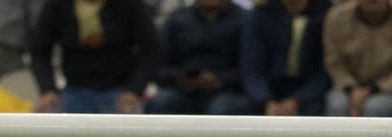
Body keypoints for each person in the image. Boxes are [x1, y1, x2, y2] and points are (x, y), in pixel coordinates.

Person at [29, 0, 159, 113]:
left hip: (120, 92)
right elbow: (39, 50)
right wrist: (48, 89)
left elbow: (151, 48)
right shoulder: (57, 5)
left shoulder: (129, 4)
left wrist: (134, 89)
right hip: (74, 91)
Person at [146, 0, 253, 115]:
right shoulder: (177, 19)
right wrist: (181, 78)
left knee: (220, 110)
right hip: (183, 90)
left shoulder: (245, 19)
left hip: (230, 91)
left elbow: (253, 69)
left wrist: (220, 80)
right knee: (160, 103)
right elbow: (158, 66)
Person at [321, 0, 392, 117]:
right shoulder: (337, 16)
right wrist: (351, 88)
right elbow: (334, 63)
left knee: (375, 109)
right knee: (337, 106)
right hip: (347, 88)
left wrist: (372, 90)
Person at [241, 0, 333, 116]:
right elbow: (252, 69)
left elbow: (327, 70)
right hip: (267, 94)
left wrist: (298, 100)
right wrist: (265, 101)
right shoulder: (261, 14)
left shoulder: (327, 13)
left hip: (311, 96)